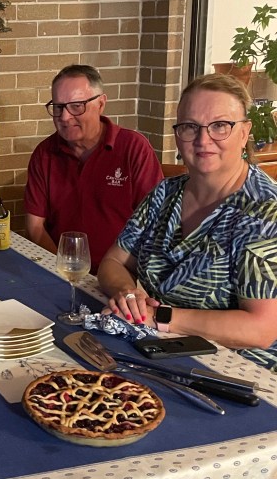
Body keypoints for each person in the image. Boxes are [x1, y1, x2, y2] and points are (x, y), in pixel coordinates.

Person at [98, 73, 277, 369]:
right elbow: (114, 262)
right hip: (160, 352)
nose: (203, 139)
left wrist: (160, 317)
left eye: (220, 125)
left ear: (245, 132)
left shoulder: (265, 211)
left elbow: (261, 329)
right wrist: (128, 294)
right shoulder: (165, 193)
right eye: (190, 127)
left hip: (237, 373)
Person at [24, 64, 163, 270]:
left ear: (101, 104)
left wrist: (117, 275)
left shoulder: (133, 148)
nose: (64, 117)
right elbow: (34, 227)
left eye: (76, 106)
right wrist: (63, 271)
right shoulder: (44, 153)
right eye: (58, 107)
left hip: (122, 274)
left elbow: (155, 226)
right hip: (61, 269)